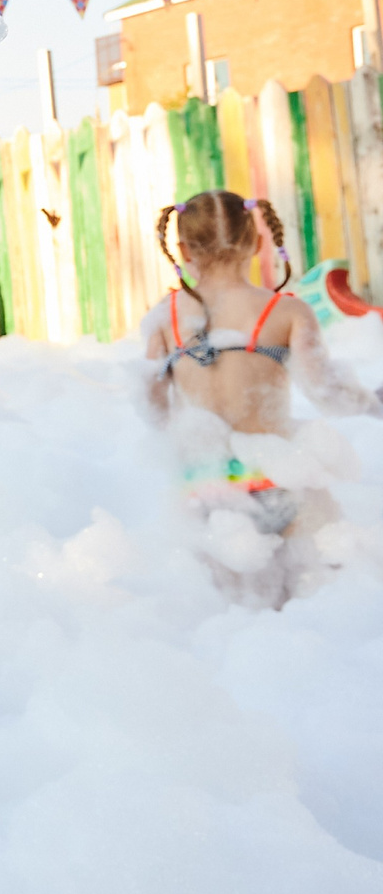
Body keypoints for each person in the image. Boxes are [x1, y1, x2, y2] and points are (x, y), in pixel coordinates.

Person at [140, 190, 381, 603]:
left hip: (203, 491)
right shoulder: (285, 312)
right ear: (256, 241)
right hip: (275, 479)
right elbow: (327, 393)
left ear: (182, 250)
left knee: (230, 621)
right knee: (310, 610)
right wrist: (374, 402)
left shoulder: (166, 317)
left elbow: (151, 403)